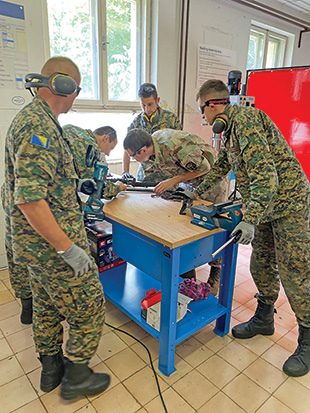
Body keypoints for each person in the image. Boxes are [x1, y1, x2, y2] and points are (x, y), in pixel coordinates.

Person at [3, 56, 111, 399]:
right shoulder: (40, 127)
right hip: (51, 248)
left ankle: (51, 370)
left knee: (47, 305)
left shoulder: (40, 121)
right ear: (65, 86)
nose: (76, 97)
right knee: (91, 304)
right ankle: (77, 375)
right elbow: (30, 200)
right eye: (77, 90)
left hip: (34, 247)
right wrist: (68, 248)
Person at [191, 78, 310, 377]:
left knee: (295, 271)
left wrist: (250, 218)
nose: (204, 119)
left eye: (202, 111)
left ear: (213, 104)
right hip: (268, 205)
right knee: (262, 262)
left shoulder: (244, 121)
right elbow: (221, 166)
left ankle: (308, 339)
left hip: (290, 203)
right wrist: (197, 191)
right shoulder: (230, 132)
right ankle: (265, 317)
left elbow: (267, 177)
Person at [123, 128, 229, 292]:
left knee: (213, 224)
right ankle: (188, 273)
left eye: (132, 156)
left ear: (142, 150)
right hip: (190, 178)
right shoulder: (151, 149)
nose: (133, 159)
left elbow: (205, 168)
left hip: (211, 178)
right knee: (188, 223)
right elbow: (145, 176)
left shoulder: (175, 146)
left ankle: (216, 270)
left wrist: (173, 180)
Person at [122, 82, 182, 181]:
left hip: (167, 174)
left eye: (150, 104)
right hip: (145, 174)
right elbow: (127, 148)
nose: (147, 109)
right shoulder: (137, 122)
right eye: (143, 105)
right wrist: (125, 172)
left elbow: (179, 147)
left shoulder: (171, 119)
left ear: (157, 100)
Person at [63, 124, 127, 198]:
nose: (108, 154)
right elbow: (95, 187)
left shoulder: (71, 128)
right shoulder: (89, 145)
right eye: (111, 148)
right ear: (106, 138)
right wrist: (117, 187)